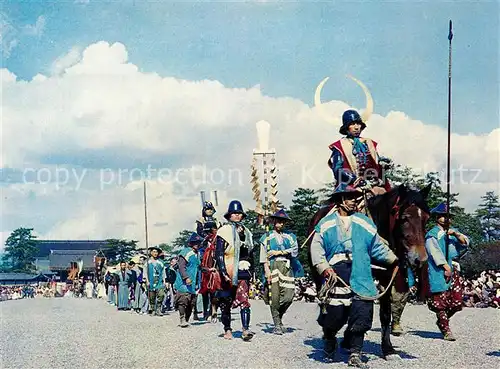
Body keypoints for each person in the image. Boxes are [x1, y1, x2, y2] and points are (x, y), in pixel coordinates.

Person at [310, 184, 398, 368]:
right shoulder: (325, 224)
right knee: (335, 315)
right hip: (336, 275)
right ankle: (329, 337)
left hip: (361, 273)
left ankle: (355, 353)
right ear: (340, 200)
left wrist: (394, 259)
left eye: (355, 197)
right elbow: (316, 248)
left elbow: (377, 247)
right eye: (349, 197)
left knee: (362, 312)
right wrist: (324, 267)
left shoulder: (363, 222)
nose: (354, 201)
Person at [425, 202, 469, 341]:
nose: (445, 219)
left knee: (456, 302)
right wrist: (445, 266)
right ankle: (445, 329)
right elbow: (434, 252)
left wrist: (456, 234)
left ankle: (442, 321)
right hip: (438, 270)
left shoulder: (452, 232)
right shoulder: (432, 234)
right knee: (440, 302)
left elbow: (465, 243)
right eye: (443, 216)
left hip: (453, 268)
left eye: (448, 216)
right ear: (437, 217)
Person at [215, 200, 255, 341]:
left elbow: (251, 253)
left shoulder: (248, 232)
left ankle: (245, 330)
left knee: (244, 300)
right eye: (234, 213)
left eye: (239, 213)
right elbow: (218, 253)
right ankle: (227, 329)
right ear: (229, 215)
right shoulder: (223, 231)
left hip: (243, 270)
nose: (237, 216)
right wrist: (223, 272)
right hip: (228, 268)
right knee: (225, 302)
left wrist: (253, 271)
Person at [328, 109, 392, 196]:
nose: (356, 127)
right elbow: (337, 170)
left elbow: (376, 164)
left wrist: (383, 164)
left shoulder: (369, 143)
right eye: (352, 124)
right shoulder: (339, 146)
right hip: (350, 186)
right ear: (346, 127)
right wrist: (355, 179)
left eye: (358, 124)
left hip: (372, 184)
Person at [259, 209, 303, 334]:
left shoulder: (290, 236)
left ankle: (279, 316)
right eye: (278, 221)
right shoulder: (266, 237)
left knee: (289, 296)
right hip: (272, 266)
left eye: (283, 222)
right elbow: (263, 257)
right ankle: (277, 323)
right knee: (275, 296)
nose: (281, 224)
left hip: (287, 266)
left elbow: (294, 251)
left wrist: (280, 252)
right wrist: (267, 271)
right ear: (273, 222)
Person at [174, 232, 203, 327]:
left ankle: (186, 319)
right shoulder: (185, 252)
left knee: (192, 302)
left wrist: (209, 270)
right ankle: (182, 319)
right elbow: (181, 266)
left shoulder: (198, 254)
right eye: (195, 242)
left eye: (198, 242)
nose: (197, 244)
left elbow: (199, 267)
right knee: (183, 300)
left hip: (194, 282)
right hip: (183, 281)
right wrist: (186, 277)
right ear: (190, 243)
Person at [144, 246, 167, 316]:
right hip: (151, 281)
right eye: (154, 252)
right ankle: (153, 309)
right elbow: (145, 272)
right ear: (151, 253)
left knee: (161, 295)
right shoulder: (147, 262)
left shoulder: (161, 262)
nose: (155, 253)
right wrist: (147, 280)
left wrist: (164, 281)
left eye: (156, 252)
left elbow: (163, 272)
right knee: (152, 297)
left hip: (159, 281)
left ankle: (159, 309)